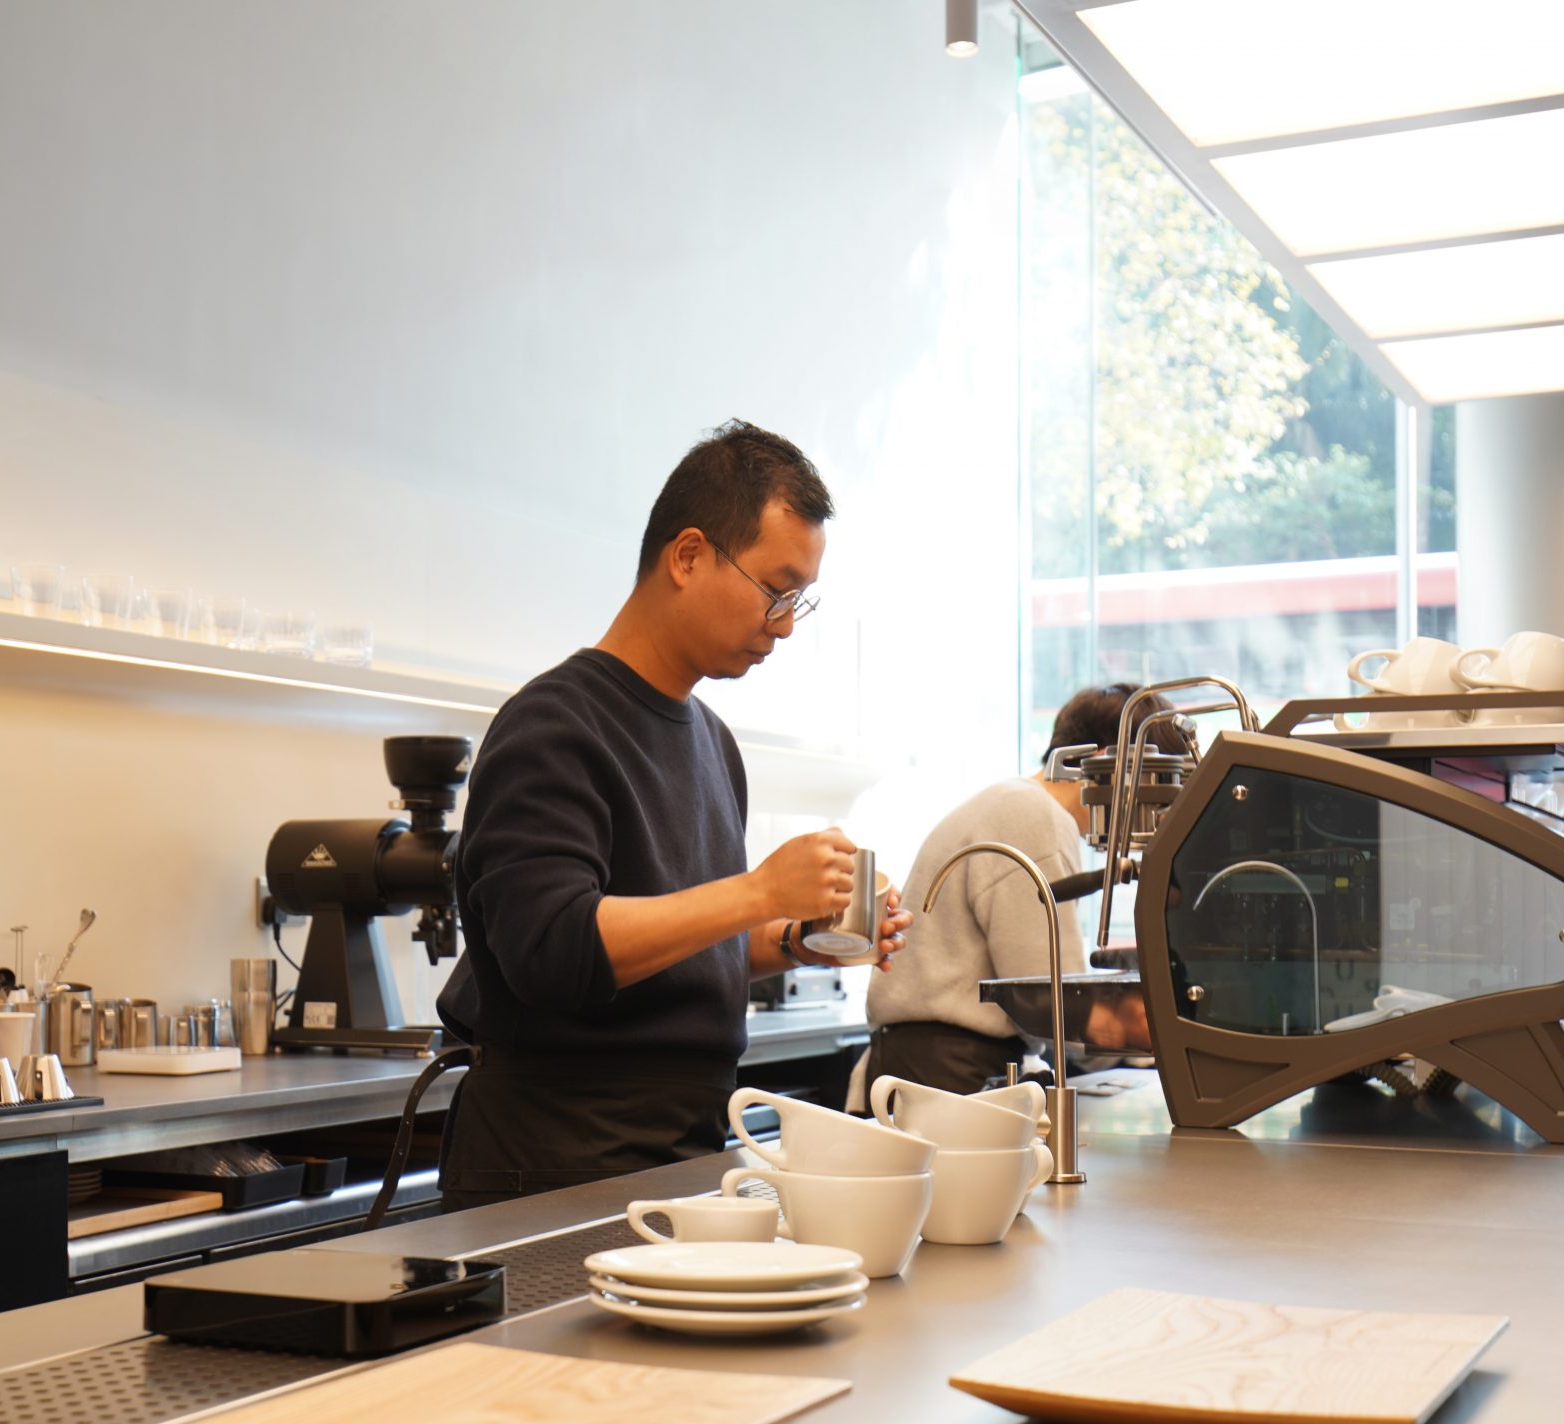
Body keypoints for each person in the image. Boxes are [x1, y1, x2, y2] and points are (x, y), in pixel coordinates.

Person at [434, 421, 910, 1210]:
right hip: (554, 1169)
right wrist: (760, 891)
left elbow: (681, 947)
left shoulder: (713, 743)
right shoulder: (553, 726)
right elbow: (553, 950)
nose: (785, 624)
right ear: (687, 556)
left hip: (680, 1156)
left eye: (799, 599)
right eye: (776, 590)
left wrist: (797, 937)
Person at [860, 685, 1190, 1096]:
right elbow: (1061, 1011)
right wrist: (1165, 1033)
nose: (1158, 815)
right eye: (1156, 788)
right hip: (945, 1077)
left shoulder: (1017, 801)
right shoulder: (1032, 816)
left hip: (932, 1068)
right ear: (1112, 763)